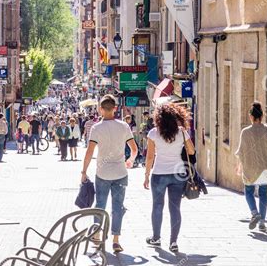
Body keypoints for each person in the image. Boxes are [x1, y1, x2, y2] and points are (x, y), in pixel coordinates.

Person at [81, 95, 138, 253]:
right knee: (117, 207)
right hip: (120, 171)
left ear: (100, 109)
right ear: (115, 108)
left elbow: (89, 152)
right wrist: (130, 161)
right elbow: (134, 149)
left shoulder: (96, 128)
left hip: (103, 173)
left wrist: (84, 172)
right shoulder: (124, 126)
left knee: (100, 205)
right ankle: (116, 240)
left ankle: (97, 236)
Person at [143, 103, 195, 253]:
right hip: (178, 174)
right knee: (175, 208)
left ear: (158, 118)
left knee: (157, 206)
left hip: (159, 174)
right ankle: (173, 242)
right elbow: (191, 151)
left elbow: (150, 157)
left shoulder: (153, 133)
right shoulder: (182, 132)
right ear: (175, 117)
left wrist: (146, 175)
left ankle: (156, 238)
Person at [235, 102, 267, 232]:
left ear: (251, 116)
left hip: (250, 168)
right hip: (266, 169)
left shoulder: (245, 132)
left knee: (248, 191)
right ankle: (262, 222)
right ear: (262, 116)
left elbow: (241, 152)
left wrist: (240, 166)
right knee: (263, 193)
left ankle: (255, 213)